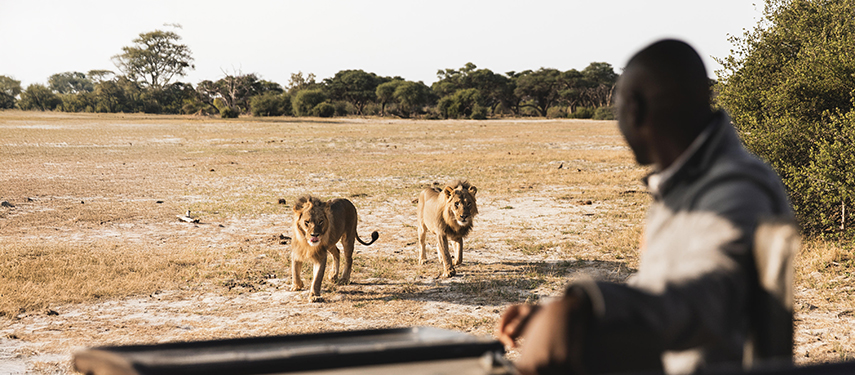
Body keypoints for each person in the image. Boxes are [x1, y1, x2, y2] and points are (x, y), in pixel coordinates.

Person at [495, 39, 795, 374]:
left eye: (617, 109)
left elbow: (709, 298)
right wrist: (555, 312)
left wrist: (586, 308)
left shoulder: (734, 188)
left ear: (634, 109)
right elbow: (663, 293)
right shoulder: (684, 182)